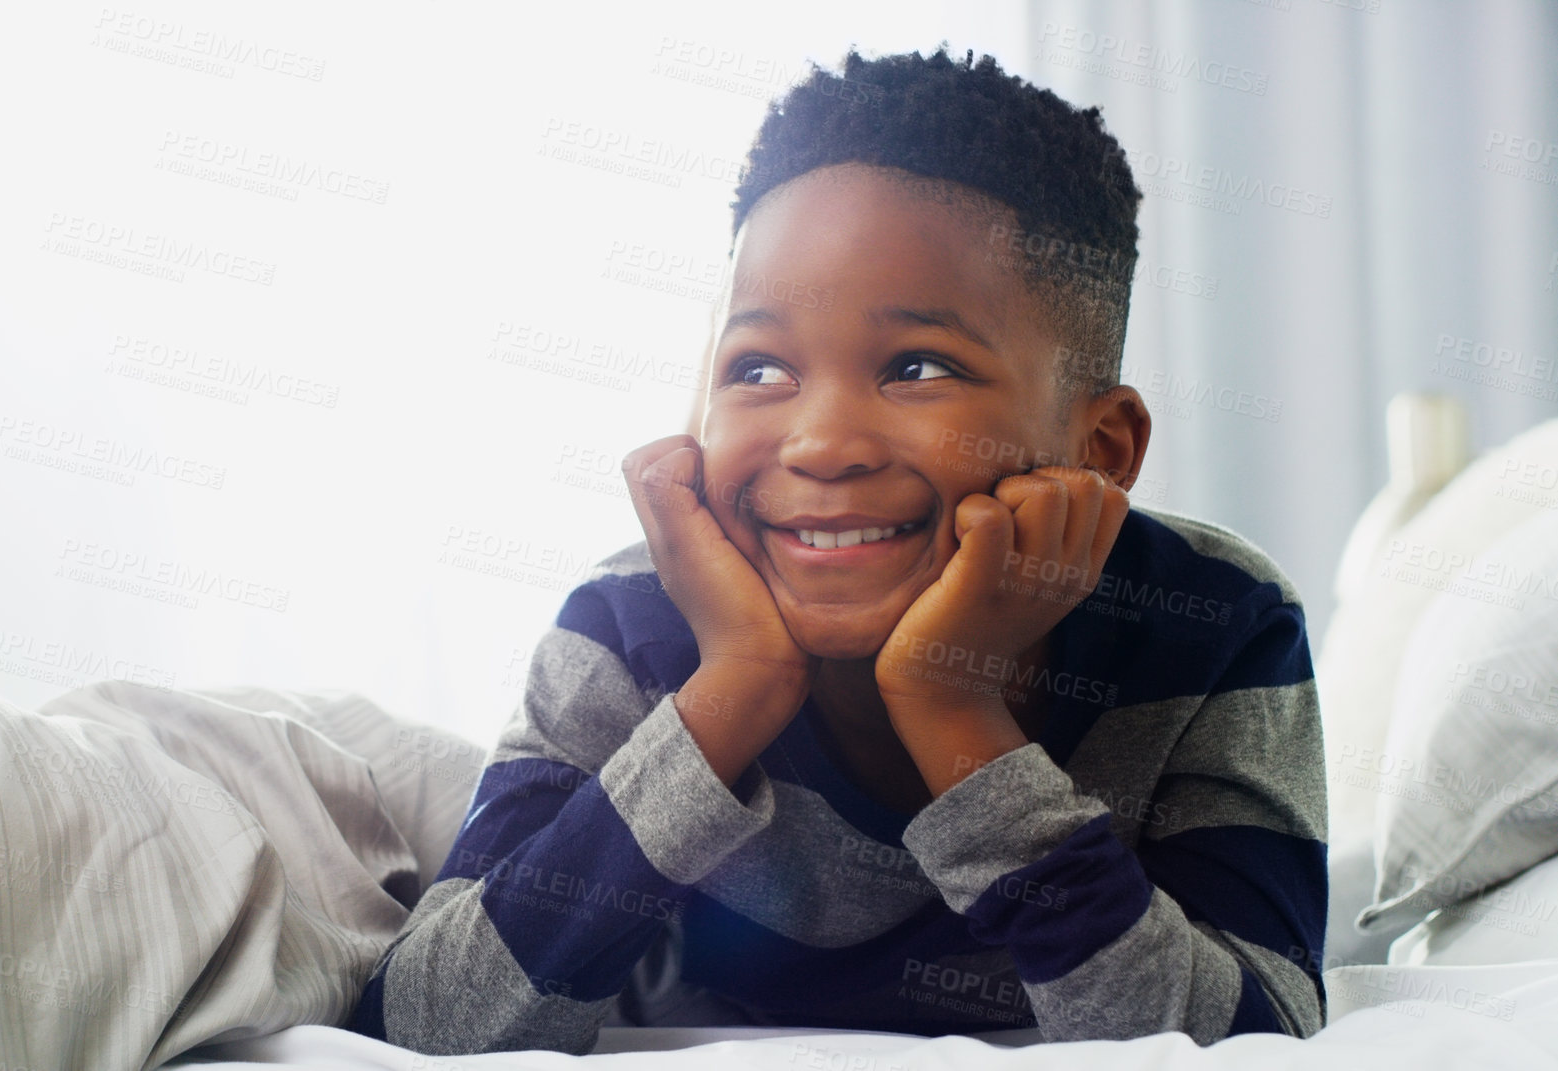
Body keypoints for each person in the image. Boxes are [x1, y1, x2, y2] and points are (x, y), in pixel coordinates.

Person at [347, 46, 1326, 1055]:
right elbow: (420, 1028)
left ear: (1099, 449)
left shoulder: (1212, 624)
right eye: (758, 366)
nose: (818, 442)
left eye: (915, 367)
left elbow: (1259, 1041)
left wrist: (953, 713)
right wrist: (729, 691)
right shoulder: (632, 626)